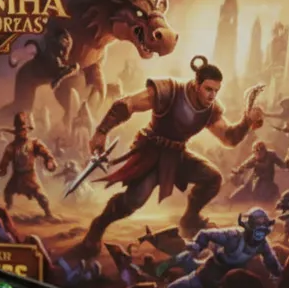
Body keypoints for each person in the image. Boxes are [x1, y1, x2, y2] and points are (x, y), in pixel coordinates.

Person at [71, 55, 264, 257]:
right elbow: (129, 104)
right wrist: (102, 131)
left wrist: (246, 122)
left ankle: (190, 220)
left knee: (212, 178)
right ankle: (98, 227)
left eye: (216, 91)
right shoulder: (170, 90)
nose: (212, 95)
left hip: (177, 156)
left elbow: (229, 138)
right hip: (151, 153)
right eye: (208, 89)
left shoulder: (210, 110)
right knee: (134, 200)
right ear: (196, 84)